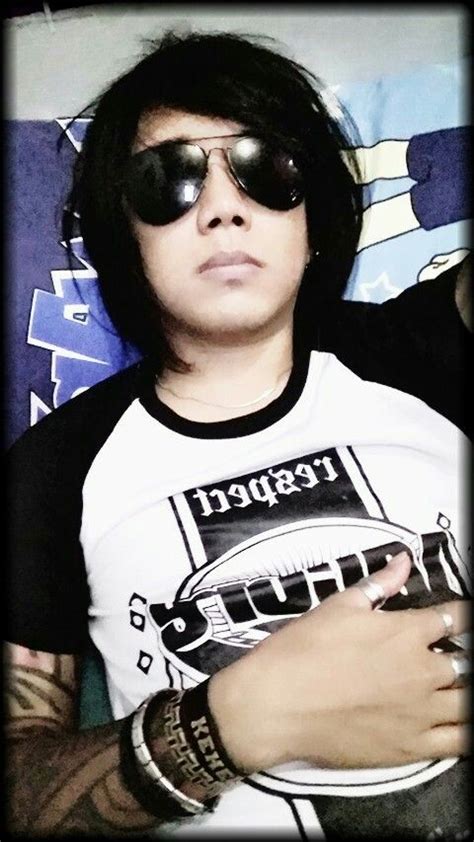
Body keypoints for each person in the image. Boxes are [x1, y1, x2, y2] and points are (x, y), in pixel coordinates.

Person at [5, 29, 471, 839]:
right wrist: (233, 725)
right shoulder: (54, 467)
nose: (224, 208)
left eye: (268, 170)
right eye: (169, 179)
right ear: (125, 239)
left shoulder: (425, 351)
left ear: (313, 218)